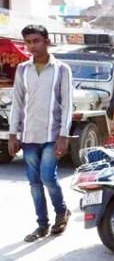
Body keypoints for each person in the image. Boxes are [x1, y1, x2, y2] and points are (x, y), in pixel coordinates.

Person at [8, 25, 72, 242]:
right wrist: (12, 134)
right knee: (34, 183)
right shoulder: (22, 69)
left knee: (47, 176)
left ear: (46, 41)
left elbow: (67, 105)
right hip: (28, 136)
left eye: (36, 41)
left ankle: (61, 212)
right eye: (28, 42)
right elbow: (17, 103)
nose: (32, 46)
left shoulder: (62, 69)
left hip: (52, 136)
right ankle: (42, 225)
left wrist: (63, 136)